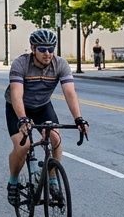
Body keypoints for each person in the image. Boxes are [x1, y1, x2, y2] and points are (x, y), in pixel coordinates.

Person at [5, 29, 90, 206]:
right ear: (33, 48)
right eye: (42, 49)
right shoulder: (21, 64)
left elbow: (70, 92)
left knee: (56, 138)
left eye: (51, 49)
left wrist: (78, 118)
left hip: (42, 106)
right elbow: (16, 94)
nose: (47, 53)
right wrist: (23, 119)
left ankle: (52, 180)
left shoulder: (60, 64)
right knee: (23, 146)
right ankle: (13, 181)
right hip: (18, 108)